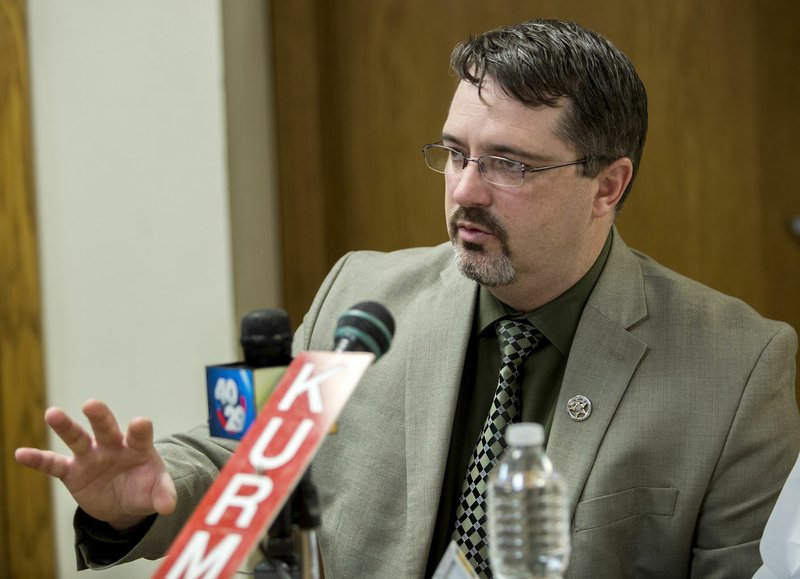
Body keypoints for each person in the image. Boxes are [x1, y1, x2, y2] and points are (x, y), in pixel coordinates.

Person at [15, 18, 800, 579]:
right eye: (455, 154)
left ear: (609, 185)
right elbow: (254, 460)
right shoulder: (365, 293)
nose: (464, 191)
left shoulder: (738, 362)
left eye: (510, 166)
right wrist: (141, 499)